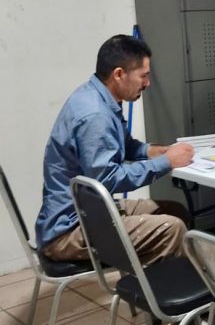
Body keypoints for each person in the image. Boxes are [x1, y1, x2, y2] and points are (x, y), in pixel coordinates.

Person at [35, 35, 194, 265]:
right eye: (144, 75)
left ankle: (152, 278)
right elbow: (107, 179)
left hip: (89, 212)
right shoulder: (95, 115)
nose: (148, 83)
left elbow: (123, 145)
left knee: (174, 210)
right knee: (172, 228)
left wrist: (156, 152)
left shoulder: (99, 97)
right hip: (69, 231)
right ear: (119, 74)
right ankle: (153, 285)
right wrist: (166, 162)